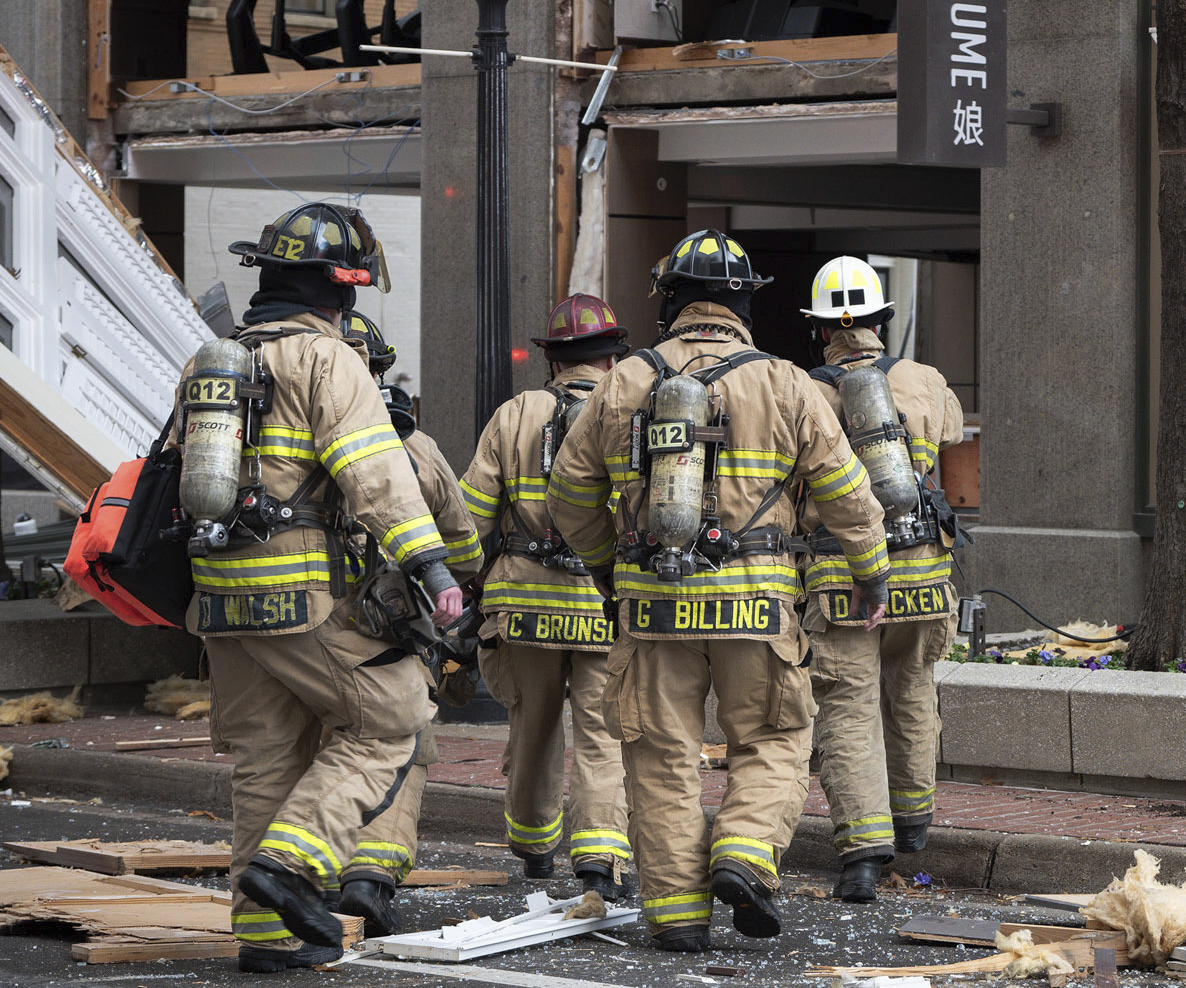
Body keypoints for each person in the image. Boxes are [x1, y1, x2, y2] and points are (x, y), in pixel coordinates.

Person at [548, 230, 889, 952]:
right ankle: (744, 852)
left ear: (670, 301)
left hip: (651, 604)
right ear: (744, 305)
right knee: (773, 736)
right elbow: (847, 490)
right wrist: (872, 571)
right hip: (757, 604)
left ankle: (676, 914)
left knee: (659, 755)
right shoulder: (785, 381)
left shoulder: (624, 380)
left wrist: (608, 566)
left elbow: (569, 493)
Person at [191, 203, 463, 973]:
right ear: (340, 288)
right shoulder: (328, 358)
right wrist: (431, 565)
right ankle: (291, 866)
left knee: (267, 755)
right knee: (394, 715)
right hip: (302, 590)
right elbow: (373, 471)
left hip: (220, 595)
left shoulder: (215, 360)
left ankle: (266, 934)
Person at [796, 257, 966, 903]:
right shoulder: (926, 379)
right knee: (914, 687)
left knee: (848, 706)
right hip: (923, 572)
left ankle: (864, 855)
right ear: (881, 322)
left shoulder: (804, 390)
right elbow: (950, 434)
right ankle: (913, 821)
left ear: (821, 330)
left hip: (843, 574)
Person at [459, 293, 634, 897]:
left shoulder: (515, 413)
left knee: (532, 726)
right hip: (605, 603)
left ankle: (535, 850)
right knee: (602, 733)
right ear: (611, 359)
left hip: (525, 603)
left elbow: (471, 516)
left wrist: (469, 584)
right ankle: (599, 859)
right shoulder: (630, 411)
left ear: (553, 360)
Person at [331, 313, 483, 937]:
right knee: (401, 744)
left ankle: (296, 874)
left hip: (297, 622)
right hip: (389, 630)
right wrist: (448, 584)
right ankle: (369, 875)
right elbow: (462, 544)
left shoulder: (277, 436)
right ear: (377, 372)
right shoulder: (413, 448)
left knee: (304, 746)